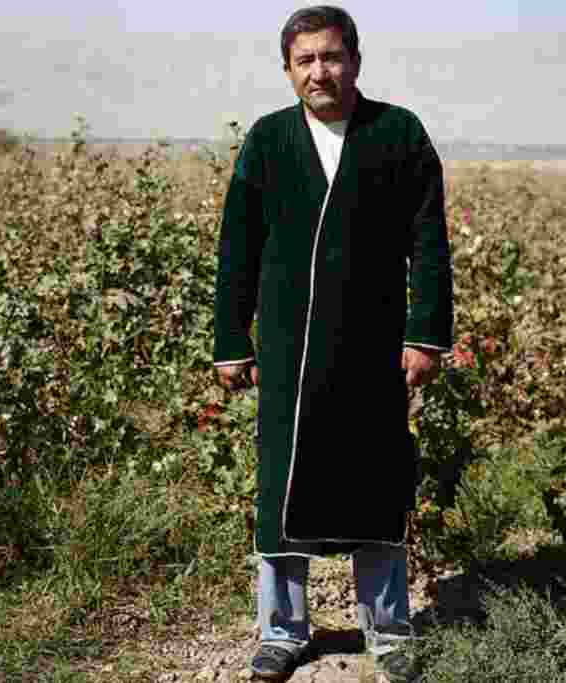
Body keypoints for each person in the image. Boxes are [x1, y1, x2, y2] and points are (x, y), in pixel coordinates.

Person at [212, 6, 453, 681]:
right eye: (305, 60)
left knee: (376, 479)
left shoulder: (398, 134)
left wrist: (425, 332)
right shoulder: (267, 141)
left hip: (373, 345)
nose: (320, 71)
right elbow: (236, 247)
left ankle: (390, 629)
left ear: (355, 58)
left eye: (332, 56)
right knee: (281, 486)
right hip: (289, 347)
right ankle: (283, 630)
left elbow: (429, 243)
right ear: (289, 70)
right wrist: (232, 335)